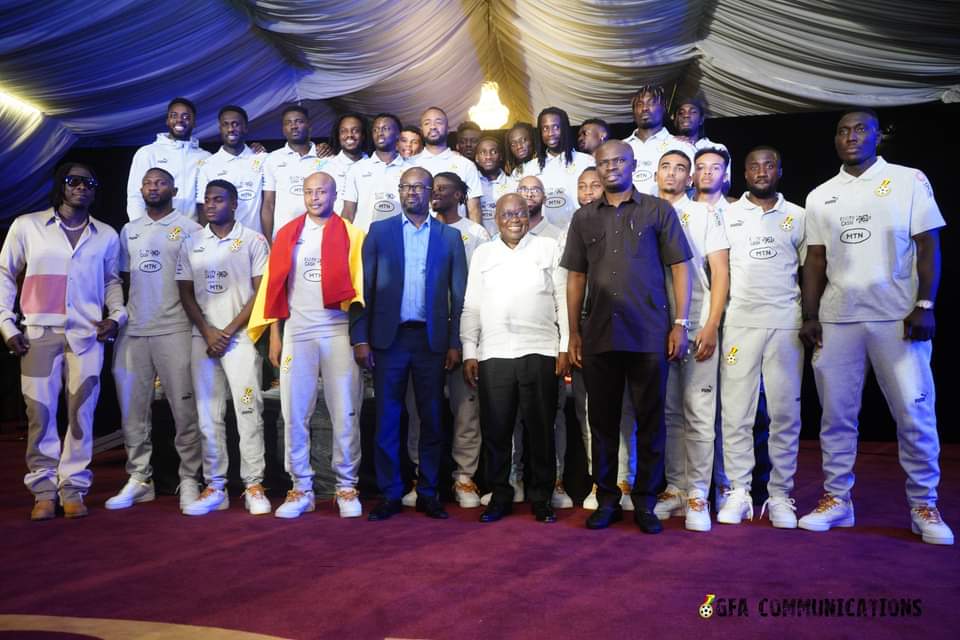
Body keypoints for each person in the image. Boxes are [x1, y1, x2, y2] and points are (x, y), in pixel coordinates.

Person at [797, 109, 953, 545]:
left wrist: (925, 303)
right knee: (836, 417)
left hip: (897, 316)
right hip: (838, 318)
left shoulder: (908, 180)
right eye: (843, 131)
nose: (851, 136)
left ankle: (924, 505)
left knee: (914, 414)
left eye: (860, 129)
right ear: (835, 140)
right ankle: (837, 499)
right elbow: (815, 260)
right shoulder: (820, 195)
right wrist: (810, 315)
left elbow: (928, 244)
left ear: (877, 136)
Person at [562, 140, 693, 534]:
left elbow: (680, 267)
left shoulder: (658, 210)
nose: (611, 167)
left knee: (651, 422)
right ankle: (606, 499)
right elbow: (576, 277)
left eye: (619, 160)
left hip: (649, 333)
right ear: (596, 167)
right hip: (598, 334)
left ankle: (646, 502)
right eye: (603, 162)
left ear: (634, 165)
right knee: (602, 423)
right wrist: (573, 332)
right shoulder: (583, 218)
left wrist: (680, 323)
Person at [1, 163, 125, 520]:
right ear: (62, 185)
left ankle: (73, 487)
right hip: (38, 333)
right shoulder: (28, 226)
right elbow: (5, 273)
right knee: (39, 413)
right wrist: (6, 324)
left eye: (89, 182)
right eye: (74, 181)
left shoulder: (105, 235)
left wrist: (116, 316)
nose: (81, 187)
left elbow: (112, 280)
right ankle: (43, 490)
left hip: (87, 335)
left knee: (81, 413)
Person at [247, 172, 366, 519]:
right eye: (309, 192)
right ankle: (301, 487)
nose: (315, 198)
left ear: (334, 195)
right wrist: (275, 334)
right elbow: (275, 288)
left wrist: (361, 338)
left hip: (337, 330)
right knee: (295, 411)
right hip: (298, 332)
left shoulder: (353, 234)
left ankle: (346, 486)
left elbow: (362, 292)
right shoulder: (287, 233)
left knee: (345, 410)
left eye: (322, 192)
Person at [352, 167, 468, 521]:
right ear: (399, 191)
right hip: (389, 340)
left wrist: (455, 342)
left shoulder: (449, 237)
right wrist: (360, 337)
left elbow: (458, 297)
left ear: (432, 193)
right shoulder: (379, 232)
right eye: (406, 186)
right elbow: (362, 290)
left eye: (419, 187)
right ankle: (390, 493)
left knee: (431, 419)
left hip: (431, 342)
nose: (412, 192)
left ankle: (429, 492)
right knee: (387, 419)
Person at [461, 193, 569, 523]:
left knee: (540, 429)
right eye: (506, 214)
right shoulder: (483, 253)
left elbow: (562, 299)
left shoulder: (548, 247)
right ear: (496, 219)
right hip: (494, 352)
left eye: (519, 213)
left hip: (540, 349)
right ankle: (499, 495)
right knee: (496, 430)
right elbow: (471, 305)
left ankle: (541, 498)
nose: (514, 219)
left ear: (529, 214)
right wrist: (469, 350)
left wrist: (565, 345)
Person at [717, 146, 805, 529]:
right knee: (737, 412)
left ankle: (780, 494)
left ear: (780, 171)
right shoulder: (727, 214)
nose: (761, 171)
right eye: (754, 166)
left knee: (785, 414)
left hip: (786, 323)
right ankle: (738, 491)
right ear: (744, 173)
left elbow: (811, 269)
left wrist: (810, 317)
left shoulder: (798, 215)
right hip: (740, 324)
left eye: (769, 165)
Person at [108, 168, 203, 513]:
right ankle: (139, 478)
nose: (154, 187)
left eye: (161, 183)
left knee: (184, 410)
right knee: (132, 412)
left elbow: (197, 284)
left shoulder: (191, 228)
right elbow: (121, 279)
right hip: (134, 330)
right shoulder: (129, 230)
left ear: (173, 190)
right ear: (141, 189)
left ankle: (190, 478)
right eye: (148, 183)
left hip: (175, 328)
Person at [176, 180, 270, 516]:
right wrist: (208, 331)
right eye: (207, 200)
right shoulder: (191, 241)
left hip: (239, 340)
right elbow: (185, 291)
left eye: (218, 200)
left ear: (234, 204)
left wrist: (227, 332)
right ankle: (215, 485)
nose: (211, 205)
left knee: (247, 408)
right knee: (208, 415)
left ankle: (254, 484)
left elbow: (260, 292)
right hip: (203, 340)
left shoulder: (253, 240)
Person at [402, 172, 489, 509]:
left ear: (460, 195)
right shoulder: (418, 230)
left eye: (443, 189)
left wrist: (465, 340)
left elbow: (476, 289)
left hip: (462, 331)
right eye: (432, 188)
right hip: (423, 335)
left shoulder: (475, 233)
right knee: (419, 410)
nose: (435, 193)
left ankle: (464, 477)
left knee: (465, 409)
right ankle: (422, 477)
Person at [652, 151, 729, 532]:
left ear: (691, 178)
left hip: (697, 322)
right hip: (656, 326)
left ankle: (698, 492)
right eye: (666, 167)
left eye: (681, 168)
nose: (672, 173)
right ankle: (676, 487)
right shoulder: (646, 211)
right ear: (655, 174)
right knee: (670, 413)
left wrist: (711, 324)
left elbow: (720, 271)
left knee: (698, 411)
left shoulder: (704, 214)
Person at [126, 97, 210, 221]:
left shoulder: (205, 157)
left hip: (192, 228)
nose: (179, 120)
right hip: (156, 227)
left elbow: (206, 198)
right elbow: (135, 196)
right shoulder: (148, 153)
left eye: (186, 116)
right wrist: (139, 226)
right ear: (167, 120)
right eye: (174, 115)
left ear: (194, 122)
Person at [196, 105, 266, 234]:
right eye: (225, 124)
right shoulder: (208, 165)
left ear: (245, 128)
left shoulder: (262, 159)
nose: (230, 129)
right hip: (222, 240)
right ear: (220, 129)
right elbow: (202, 207)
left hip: (255, 239)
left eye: (235, 124)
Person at [522, 107, 594, 229]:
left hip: (581, 230)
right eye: (545, 128)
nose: (550, 133)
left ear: (564, 129)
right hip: (543, 234)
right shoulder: (530, 168)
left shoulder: (586, 161)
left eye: (556, 127)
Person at [261, 105, 322, 241]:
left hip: (317, 237)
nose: (293, 126)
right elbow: (268, 204)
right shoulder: (272, 159)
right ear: (283, 130)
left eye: (299, 121)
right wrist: (268, 240)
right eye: (288, 123)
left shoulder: (325, 158)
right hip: (283, 237)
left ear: (309, 126)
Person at [341, 113, 409, 233]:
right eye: (376, 130)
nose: (380, 133)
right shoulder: (356, 169)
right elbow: (348, 212)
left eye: (385, 129)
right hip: (364, 237)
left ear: (398, 134)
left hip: (400, 237)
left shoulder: (411, 170)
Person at [412, 107, 482, 224]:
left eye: (438, 122)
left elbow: (474, 210)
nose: (433, 127)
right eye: (427, 123)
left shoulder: (465, 164)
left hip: (457, 233)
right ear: (421, 130)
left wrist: (476, 235)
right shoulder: (409, 164)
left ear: (448, 129)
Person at [623, 86, 695, 196]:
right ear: (633, 111)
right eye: (639, 104)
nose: (645, 108)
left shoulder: (681, 146)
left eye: (651, 103)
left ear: (664, 108)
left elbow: (693, 189)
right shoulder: (620, 148)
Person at [672, 96, 731, 189]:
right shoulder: (669, 145)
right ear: (676, 120)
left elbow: (725, 186)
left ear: (701, 120)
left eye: (693, 112)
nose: (686, 115)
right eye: (681, 113)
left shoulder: (717, 148)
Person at [321, 113, 369, 215]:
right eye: (344, 131)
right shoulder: (326, 166)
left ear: (363, 135)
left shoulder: (374, 166)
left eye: (355, 130)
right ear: (338, 136)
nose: (349, 135)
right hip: (334, 224)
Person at [476, 137, 516, 236]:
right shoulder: (472, 184)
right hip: (479, 241)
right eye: (483, 152)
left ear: (501, 156)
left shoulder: (513, 184)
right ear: (477, 158)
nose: (488, 157)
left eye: (493, 152)